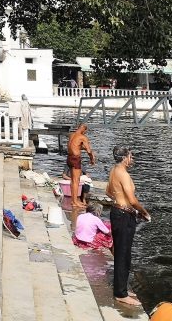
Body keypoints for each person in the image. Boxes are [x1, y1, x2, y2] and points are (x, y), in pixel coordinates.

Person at [105, 145, 150, 307]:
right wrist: (143, 212)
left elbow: (108, 191)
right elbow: (132, 200)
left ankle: (122, 287)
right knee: (123, 254)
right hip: (124, 216)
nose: (132, 159)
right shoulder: (123, 174)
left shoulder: (113, 170)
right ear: (125, 158)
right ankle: (120, 293)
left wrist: (119, 201)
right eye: (131, 156)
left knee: (122, 252)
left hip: (117, 212)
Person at [67, 123, 96, 209]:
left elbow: (74, 146)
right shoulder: (83, 137)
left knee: (73, 180)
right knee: (76, 180)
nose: (85, 133)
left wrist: (82, 148)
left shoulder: (72, 135)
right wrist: (92, 159)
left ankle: (73, 200)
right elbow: (89, 150)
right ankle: (75, 202)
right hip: (75, 159)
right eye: (85, 131)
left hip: (69, 158)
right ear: (84, 129)